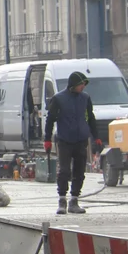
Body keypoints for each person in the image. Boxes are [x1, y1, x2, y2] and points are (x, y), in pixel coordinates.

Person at [44, 71, 100, 215]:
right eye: (81, 84)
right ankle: (62, 200)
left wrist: (96, 136)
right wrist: (47, 139)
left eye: (84, 85)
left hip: (81, 140)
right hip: (64, 140)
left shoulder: (85, 98)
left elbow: (90, 118)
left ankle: (74, 200)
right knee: (64, 171)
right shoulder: (58, 99)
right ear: (73, 85)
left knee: (79, 171)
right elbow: (50, 119)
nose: (83, 87)